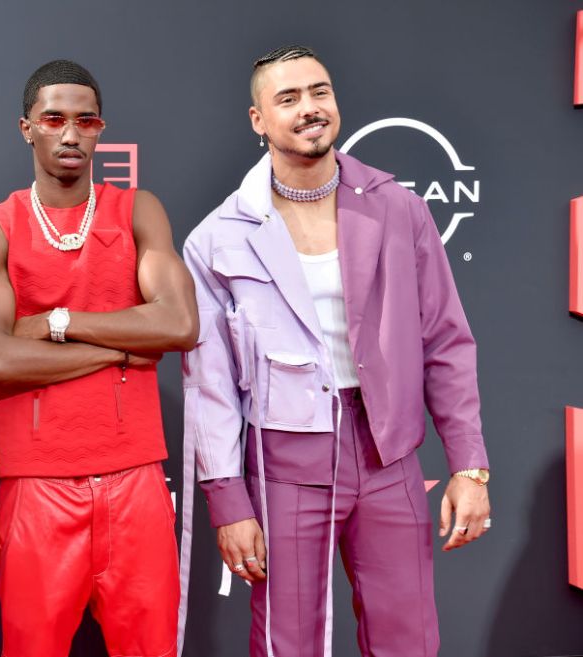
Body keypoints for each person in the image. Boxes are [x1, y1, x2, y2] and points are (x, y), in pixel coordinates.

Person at [181, 45, 491, 657]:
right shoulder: (217, 239)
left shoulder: (399, 208)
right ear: (258, 120)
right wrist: (228, 502)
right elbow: (209, 384)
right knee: (287, 643)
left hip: (389, 454)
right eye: (288, 99)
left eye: (319, 92)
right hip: (283, 465)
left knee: (409, 638)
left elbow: (446, 342)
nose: (309, 109)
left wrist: (469, 465)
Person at [0, 59, 198, 657]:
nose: (70, 133)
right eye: (54, 119)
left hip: (136, 477)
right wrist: (121, 345)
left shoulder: (138, 209)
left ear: (100, 129)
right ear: (27, 128)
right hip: (38, 484)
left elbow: (180, 323)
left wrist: (58, 324)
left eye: (85, 120)